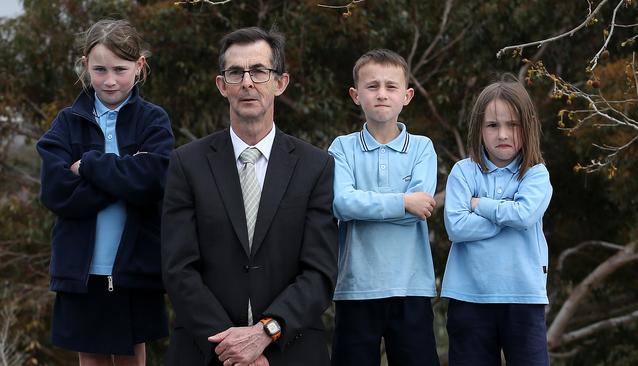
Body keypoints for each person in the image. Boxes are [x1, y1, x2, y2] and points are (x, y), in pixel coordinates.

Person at [161, 27, 338, 366]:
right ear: (221, 84)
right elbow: (178, 268)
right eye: (235, 72)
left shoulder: (316, 166)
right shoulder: (186, 163)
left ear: (280, 82)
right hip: (206, 351)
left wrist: (264, 334)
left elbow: (320, 272)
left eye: (258, 71)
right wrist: (231, 347)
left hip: (290, 350)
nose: (247, 82)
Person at [36, 19, 174, 365]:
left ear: (140, 66)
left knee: (132, 358)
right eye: (99, 69)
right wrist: (125, 178)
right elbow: (56, 192)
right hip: (81, 273)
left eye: (120, 69)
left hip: (136, 269)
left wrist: (91, 167)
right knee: (92, 359)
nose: (110, 80)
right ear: (85, 65)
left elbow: (154, 181)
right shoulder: (67, 123)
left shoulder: (153, 120)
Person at [328, 49, 440, 366]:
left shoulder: (422, 147)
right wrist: (403, 201)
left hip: (412, 287)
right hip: (355, 288)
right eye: (372, 86)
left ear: (407, 96)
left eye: (391, 87)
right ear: (355, 94)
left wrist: (366, 205)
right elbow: (341, 203)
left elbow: (420, 210)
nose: (381, 94)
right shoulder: (342, 147)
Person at [441, 77, 553, 366]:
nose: (503, 133)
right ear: (479, 129)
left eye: (512, 125)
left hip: (524, 297)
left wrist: (481, 205)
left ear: (527, 127)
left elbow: (525, 215)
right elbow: (456, 226)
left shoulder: (536, 174)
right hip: (468, 298)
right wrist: (509, 215)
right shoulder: (463, 172)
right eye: (492, 125)